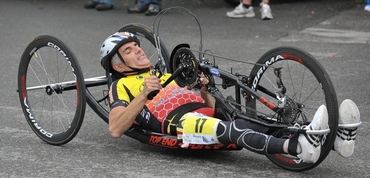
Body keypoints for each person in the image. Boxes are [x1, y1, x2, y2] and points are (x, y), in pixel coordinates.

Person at [99, 32, 360, 163]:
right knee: (233, 129)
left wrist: (203, 89)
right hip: (178, 126)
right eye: (128, 51)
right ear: (119, 66)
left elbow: (209, 106)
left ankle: (332, 139)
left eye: (137, 46)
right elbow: (115, 128)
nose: (138, 52)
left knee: (247, 121)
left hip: (201, 113)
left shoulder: (161, 72)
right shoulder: (121, 86)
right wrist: (144, 93)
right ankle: (297, 148)